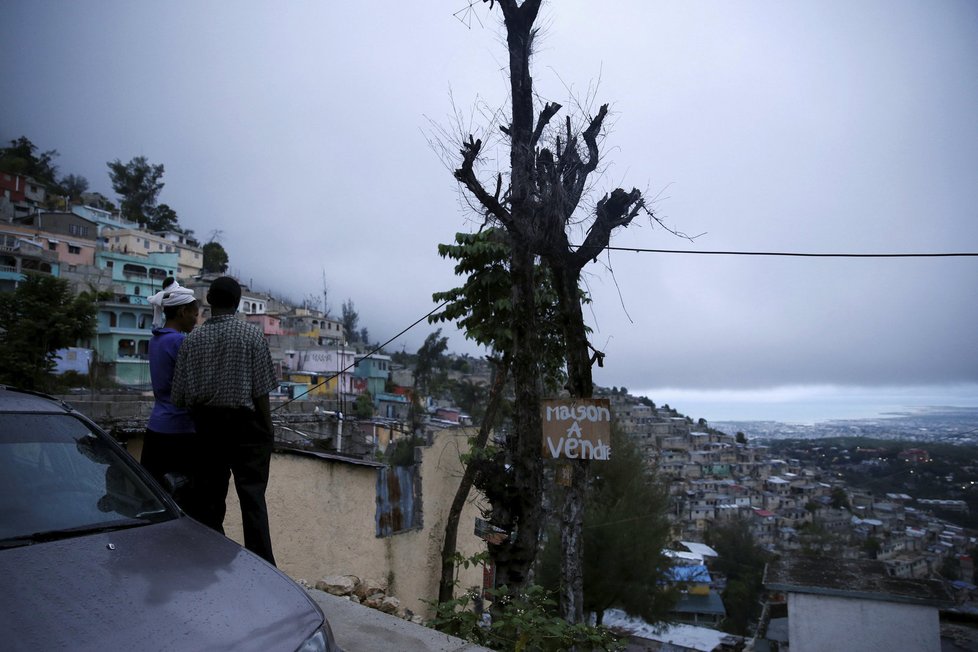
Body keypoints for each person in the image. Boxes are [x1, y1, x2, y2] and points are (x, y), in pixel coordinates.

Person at [171, 276, 278, 565]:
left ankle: (211, 563)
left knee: (209, 501)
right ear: (238, 302)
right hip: (246, 427)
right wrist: (267, 429)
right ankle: (262, 566)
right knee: (253, 499)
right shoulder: (252, 336)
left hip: (207, 429)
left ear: (209, 301)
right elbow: (261, 393)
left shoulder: (191, 341)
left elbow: (179, 397)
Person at [142, 281, 202, 516]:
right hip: (180, 430)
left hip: (156, 427)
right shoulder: (179, 342)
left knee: (154, 499)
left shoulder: (156, 339)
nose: (196, 321)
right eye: (194, 314)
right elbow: (194, 386)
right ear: (182, 312)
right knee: (181, 503)